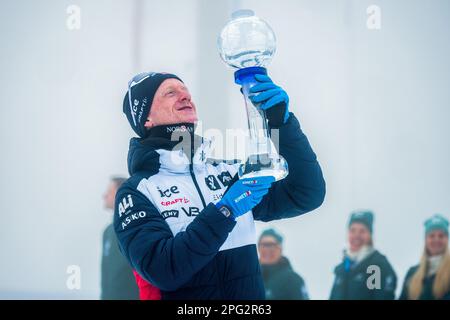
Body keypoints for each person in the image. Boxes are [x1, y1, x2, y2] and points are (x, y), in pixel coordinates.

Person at [114, 71, 326, 299]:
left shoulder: (229, 173)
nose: (186, 97)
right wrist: (226, 211)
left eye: (186, 92)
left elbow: (306, 193)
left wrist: (281, 125)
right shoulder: (136, 193)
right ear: (147, 119)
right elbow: (163, 270)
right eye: (171, 93)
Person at [330, 210, 397, 300]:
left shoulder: (376, 267)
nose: (356, 235)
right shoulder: (343, 268)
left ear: (370, 235)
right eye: (352, 230)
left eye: (362, 231)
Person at [101, 177, 139, 300]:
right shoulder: (107, 231)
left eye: (109, 191)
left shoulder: (134, 228)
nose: (104, 195)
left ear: (120, 194)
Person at [399, 214, 450, 300]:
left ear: (447, 239)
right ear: (426, 239)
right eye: (432, 236)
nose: (436, 239)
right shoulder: (412, 273)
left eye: (441, 236)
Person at [258, 228, 309, 300]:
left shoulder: (293, 280)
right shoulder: (250, 278)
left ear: (280, 249)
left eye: (271, 245)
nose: (267, 250)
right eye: (264, 245)